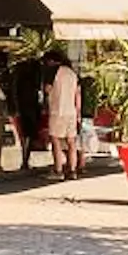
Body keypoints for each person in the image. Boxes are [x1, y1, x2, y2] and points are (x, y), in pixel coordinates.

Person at [45, 52, 83, 180]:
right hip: (71, 112)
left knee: (55, 140)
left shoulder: (53, 71)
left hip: (58, 111)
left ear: (51, 61)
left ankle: (58, 170)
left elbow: (47, 89)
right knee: (71, 142)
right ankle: (72, 170)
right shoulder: (73, 73)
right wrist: (78, 113)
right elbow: (78, 95)